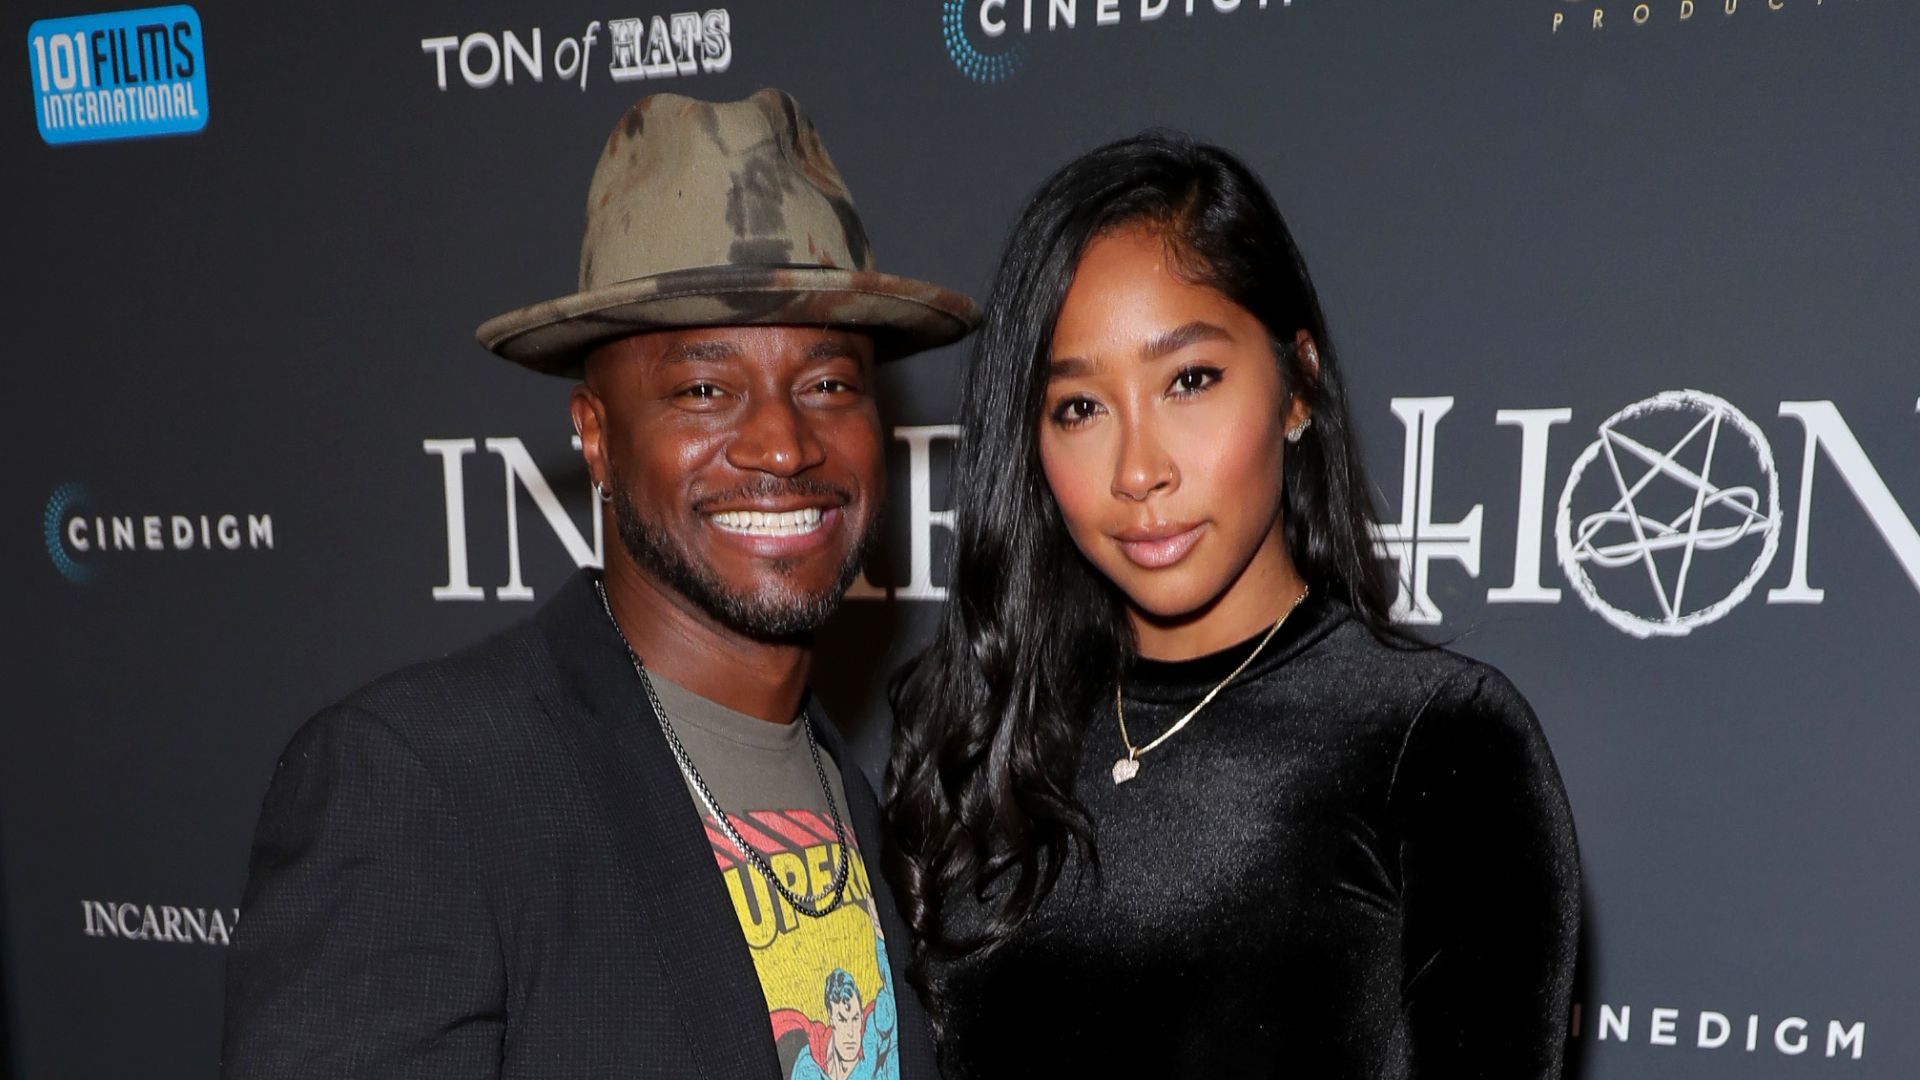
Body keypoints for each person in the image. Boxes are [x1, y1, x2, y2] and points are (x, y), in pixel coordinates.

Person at [221, 89, 978, 1080]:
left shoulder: (863, 806)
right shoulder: (421, 788)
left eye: (829, 384)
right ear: (596, 436)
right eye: (706, 388)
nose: (785, 443)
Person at [884, 133, 1581, 1077]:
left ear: (1298, 386)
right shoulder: (974, 727)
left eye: (1190, 380)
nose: (1139, 471)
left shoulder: (1441, 745)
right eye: (1080, 408)